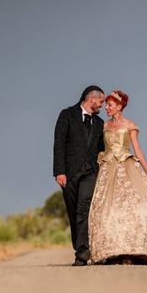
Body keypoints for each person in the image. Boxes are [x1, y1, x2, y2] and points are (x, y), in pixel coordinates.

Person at [88, 90, 147, 265]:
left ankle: (133, 251)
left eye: (110, 105)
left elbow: (138, 150)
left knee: (131, 208)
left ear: (119, 106)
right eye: (106, 104)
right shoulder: (103, 126)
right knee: (106, 210)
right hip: (107, 169)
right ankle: (112, 251)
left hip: (126, 168)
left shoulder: (130, 125)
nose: (106, 107)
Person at [53, 85, 106, 266]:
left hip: (90, 172)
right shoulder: (66, 115)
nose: (102, 105)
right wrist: (59, 171)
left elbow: (102, 148)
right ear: (91, 99)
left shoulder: (99, 123)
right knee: (73, 211)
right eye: (101, 101)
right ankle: (79, 246)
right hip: (69, 173)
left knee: (83, 209)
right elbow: (59, 143)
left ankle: (82, 255)